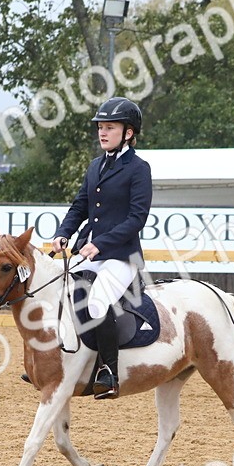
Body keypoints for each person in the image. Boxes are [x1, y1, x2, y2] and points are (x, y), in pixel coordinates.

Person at [52, 97, 153, 400]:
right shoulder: (96, 165)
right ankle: (53, 361)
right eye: (101, 127)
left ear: (129, 132)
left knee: (96, 304)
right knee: (58, 290)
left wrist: (100, 244)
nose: (103, 132)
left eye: (110, 127)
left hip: (121, 256)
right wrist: (63, 233)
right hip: (90, 252)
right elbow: (80, 206)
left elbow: (137, 218)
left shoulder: (138, 168)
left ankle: (107, 373)